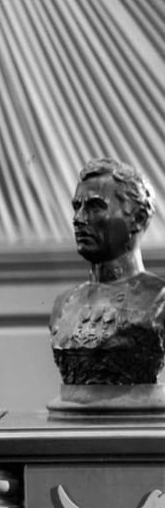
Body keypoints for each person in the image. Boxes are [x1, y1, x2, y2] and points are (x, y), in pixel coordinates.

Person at [51, 158, 165, 385]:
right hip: (73, 405)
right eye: (77, 207)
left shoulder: (159, 299)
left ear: (138, 219)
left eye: (95, 207)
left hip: (135, 406)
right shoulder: (64, 304)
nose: (78, 219)